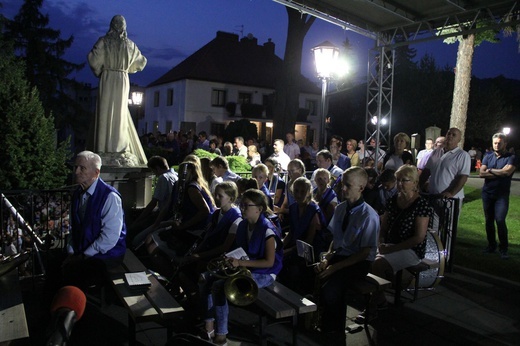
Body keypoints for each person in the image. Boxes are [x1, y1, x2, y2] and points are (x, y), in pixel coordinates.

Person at [199, 189, 283, 346]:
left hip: (266, 273)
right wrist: (229, 258)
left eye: (246, 205)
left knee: (219, 286)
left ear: (259, 208)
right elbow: (241, 250)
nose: (242, 208)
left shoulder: (268, 230)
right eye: (241, 205)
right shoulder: (244, 225)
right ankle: (209, 324)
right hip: (248, 266)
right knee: (206, 277)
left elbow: (269, 263)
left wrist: (240, 263)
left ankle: (221, 335)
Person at [314, 167, 379, 337]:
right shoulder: (341, 208)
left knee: (332, 286)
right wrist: (327, 256)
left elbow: (364, 253)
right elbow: (336, 240)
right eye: (343, 184)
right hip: (341, 256)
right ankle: (323, 321)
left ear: (361, 188)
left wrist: (334, 267)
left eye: (348, 186)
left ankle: (333, 328)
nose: (342, 189)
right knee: (314, 273)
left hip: (358, 262)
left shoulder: (369, 216)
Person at [369, 165, 432, 312]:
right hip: (390, 245)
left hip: (411, 249)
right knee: (367, 257)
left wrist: (391, 249)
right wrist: (380, 242)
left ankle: (376, 301)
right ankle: (378, 296)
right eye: (398, 180)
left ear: (415, 183)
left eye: (405, 180)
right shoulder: (392, 201)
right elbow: (383, 227)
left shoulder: (421, 205)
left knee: (378, 264)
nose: (400, 184)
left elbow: (418, 237)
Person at [87, 15, 147, 166]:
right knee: (120, 113)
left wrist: (102, 70)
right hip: (122, 79)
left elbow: (93, 60)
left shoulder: (103, 42)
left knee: (105, 111)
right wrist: (126, 68)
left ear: (111, 26)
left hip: (107, 78)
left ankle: (102, 147)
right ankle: (118, 147)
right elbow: (141, 62)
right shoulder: (130, 45)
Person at [64, 151, 126, 290]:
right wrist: (71, 251)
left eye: (82, 168)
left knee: (71, 277)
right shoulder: (78, 193)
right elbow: (74, 227)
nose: (76, 172)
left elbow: (109, 237)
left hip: (107, 255)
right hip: (85, 252)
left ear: (96, 172)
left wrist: (83, 256)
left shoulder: (110, 197)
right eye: (75, 167)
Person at [145, 161, 216, 277]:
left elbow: (205, 211)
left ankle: (171, 276)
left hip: (196, 231)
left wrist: (183, 225)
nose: (180, 175)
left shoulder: (192, 188)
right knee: (152, 239)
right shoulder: (186, 186)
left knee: (153, 244)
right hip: (189, 228)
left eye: (183, 172)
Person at [279, 177, 327, 295]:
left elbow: (309, 241)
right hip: (296, 244)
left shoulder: (313, 210)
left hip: (311, 249)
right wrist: (280, 246)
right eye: (296, 191)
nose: (299, 195)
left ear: (309, 192)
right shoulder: (293, 208)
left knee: (290, 265)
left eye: (302, 191)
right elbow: (291, 232)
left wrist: (288, 251)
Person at [479, 133, 516, 259]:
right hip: (487, 193)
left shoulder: (511, 157)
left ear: (505, 143)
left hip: (502, 195)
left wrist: (490, 170)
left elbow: (507, 172)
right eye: (495, 143)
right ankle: (491, 246)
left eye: (499, 143)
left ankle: (503, 248)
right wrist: (498, 173)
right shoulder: (488, 156)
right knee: (489, 220)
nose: (497, 145)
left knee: (500, 220)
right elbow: (481, 173)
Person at [127, 156, 177, 241]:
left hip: (163, 215)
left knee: (134, 232)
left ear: (157, 168)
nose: (154, 174)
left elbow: (154, 202)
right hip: (171, 214)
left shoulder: (163, 178)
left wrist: (138, 220)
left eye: (153, 171)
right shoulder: (175, 175)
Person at [420, 128, 470, 202]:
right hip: (432, 196)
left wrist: (451, 193)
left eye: (454, 135)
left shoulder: (463, 155)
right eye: (448, 134)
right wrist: (418, 186)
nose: (450, 136)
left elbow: (463, 177)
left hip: (450, 199)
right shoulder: (435, 152)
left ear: (459, 139)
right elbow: (426, 171)